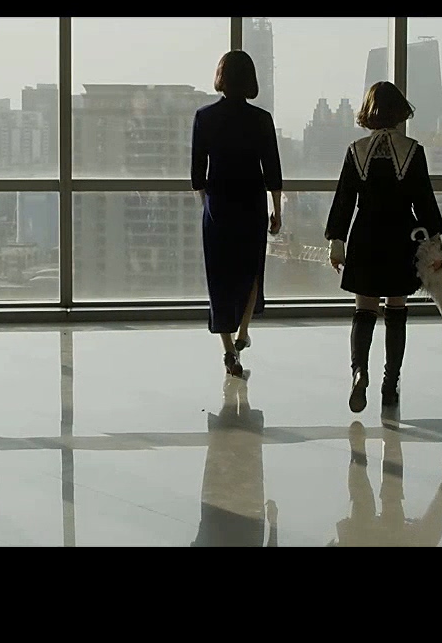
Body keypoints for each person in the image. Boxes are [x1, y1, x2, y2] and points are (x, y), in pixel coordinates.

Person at [325, 81, 442, 413]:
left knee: (364, 311)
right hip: (400, 235)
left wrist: (337, 241)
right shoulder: (412, 151)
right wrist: (435, 241)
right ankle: (390, 384)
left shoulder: (356, 151)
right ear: (400, 112)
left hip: (365, 234)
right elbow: (424, 200)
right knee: (396, 311)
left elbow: (344, 199)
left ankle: (359, 371)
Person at [191, 50, 284, 378]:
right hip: (251, 203)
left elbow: (197, 175)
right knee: (251, 270)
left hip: (218, 204)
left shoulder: (204, 117)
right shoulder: (261, 119)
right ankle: (244, 329)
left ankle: (228, 349)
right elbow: (272, 171)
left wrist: (207, 205)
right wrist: (277, 211)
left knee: (219, 276)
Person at [329, 421, 442, 547]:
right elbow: (436, 515)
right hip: (387, 535)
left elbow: (436, 516)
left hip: (376, 536)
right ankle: (368, 451)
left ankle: (380, 447)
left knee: (377, 500)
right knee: (382, 500)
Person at [191, 378, 279, 547]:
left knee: (246, 457)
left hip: (244, 519)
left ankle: (237, 396)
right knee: (223, 455)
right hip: (220, 517)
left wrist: (273, 523)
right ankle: (232, 396)